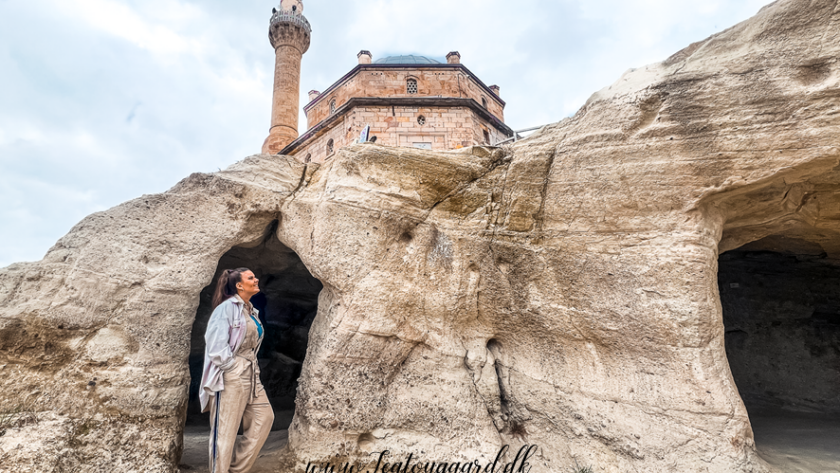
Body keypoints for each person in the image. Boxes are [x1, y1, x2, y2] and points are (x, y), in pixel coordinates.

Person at [199, 268, 274, 473]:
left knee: (264, 417)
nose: (256, 279)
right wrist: (232, 366)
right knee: (225, 433)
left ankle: (236, 470)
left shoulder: (251, 310)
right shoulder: (226, 309)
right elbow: (215, 346)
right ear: (239, 285)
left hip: (252, 372)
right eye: (251, 278)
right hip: (231, 374)